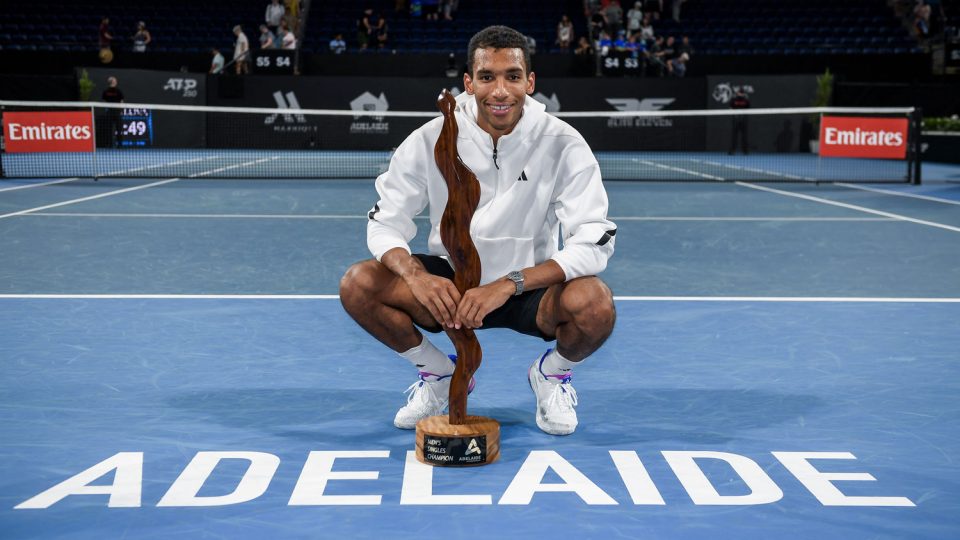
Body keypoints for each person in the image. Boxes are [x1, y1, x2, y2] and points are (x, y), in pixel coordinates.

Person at [340, 25, 617, 436]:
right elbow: (385, 222)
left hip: (529, 290)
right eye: (487, 77)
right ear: (468, 83)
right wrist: (417, 276)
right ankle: (437, 374)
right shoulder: (430, 139)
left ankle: (552, 375)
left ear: (530, 82)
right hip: (453, 285)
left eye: (512, 76)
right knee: (359, 283)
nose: (500, 91)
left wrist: (509, 284)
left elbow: (594, 240)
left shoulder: (562, 143)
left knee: (594, 303)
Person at [100, 76, 124, 148]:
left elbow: (121, 101)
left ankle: (119, 145)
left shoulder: (118, 91)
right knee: (108, 129)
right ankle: (109, 145)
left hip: (116, 112)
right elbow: (122, 102)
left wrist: (120, 110)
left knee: (119, 129)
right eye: (115, 80)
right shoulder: (106, 91)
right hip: (110, 112)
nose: (116, 82)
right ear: (113, 82)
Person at [729, 87, 750, 155]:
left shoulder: (746, 100)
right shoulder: (734, 100)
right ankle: (732, 150)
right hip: (736, 120)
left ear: (743, 93)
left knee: (744, 136)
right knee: (734, 136)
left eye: (742, 93)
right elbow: (730, 107)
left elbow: (749, 108)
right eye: (739, 92)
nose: (740, 94)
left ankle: (745, 151)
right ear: (737, 93)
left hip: (743, 120)